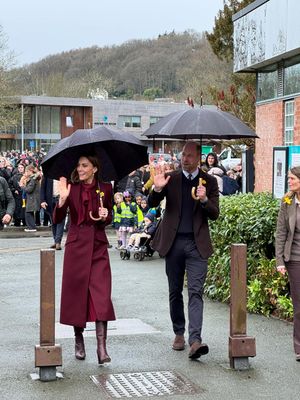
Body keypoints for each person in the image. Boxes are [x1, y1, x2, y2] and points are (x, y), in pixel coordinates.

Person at [148, 141, 219, 360]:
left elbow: (215, 213)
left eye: (189, 155)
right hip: (174, 242)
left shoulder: (210, 181)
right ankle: (179, 332)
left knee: (196, 291)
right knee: (174, 290)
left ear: (199, 156)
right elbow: (151, 202)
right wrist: (157, 188)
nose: (184, 158)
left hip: (197, 244)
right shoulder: (173, 177)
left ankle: (195, 340)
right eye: (183, 155)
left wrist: (204, 199)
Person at [53, 154, 115, 364]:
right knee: (76, 295)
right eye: (78, 165)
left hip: (98, 246)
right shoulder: (71, 187)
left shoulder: (105, 188)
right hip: (76, 246)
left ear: (95, 168)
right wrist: (61, 201)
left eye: (84, 165)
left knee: (102, 295)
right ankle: (78, 339)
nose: (80, 169)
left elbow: (109, 218)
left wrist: (106, 215)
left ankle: (101, 348)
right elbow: (57, 219)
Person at [275, 166, 300, 362]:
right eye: (289, 179)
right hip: (295, 259)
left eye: (292, 178)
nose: (289, 181)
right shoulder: (287, 201)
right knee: (298, 305)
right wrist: (279, 261)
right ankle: (299, 348)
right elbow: (281, 232)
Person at [40, 177, 66, 250]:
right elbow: (42, 188)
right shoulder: (48, 174)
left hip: (61, 199)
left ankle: (58, 242)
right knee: (53, 220)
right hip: (50, 199)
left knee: (61, 220)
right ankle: (56, 240)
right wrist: (42, 201)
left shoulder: (64, 174)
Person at [19, 164, 41, 232]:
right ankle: (32, 227)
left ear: (30, 171)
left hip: (32, 199)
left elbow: (29, 190)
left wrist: (22, 186)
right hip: (32, 198)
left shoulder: (33, 179)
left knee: (28, 213)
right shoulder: (33, 178)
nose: (25, 173)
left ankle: (31, 228)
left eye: (26, 171)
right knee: (29, 212)